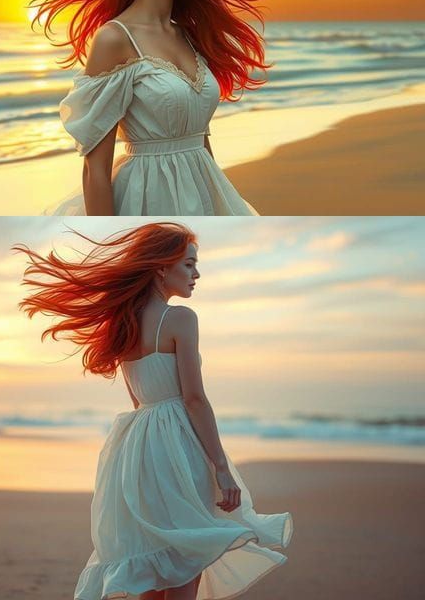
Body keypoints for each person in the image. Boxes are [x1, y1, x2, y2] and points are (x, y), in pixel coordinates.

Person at [15, 223, 291, 600]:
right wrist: (221, 467)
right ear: (162, 267)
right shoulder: (181, 319)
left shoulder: (121, 323)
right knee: (185, 560)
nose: (196, 274)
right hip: (178, 444)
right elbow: (194, 399)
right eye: (189, 264)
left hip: (136, 451)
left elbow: (137, 400)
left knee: (155, 564)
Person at [27, 0, 269, 215]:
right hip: (147, 200)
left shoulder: (190, 35)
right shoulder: (115, 39)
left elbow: (199, 139)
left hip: (205, 192)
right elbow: (95, 171)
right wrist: (108, 243)